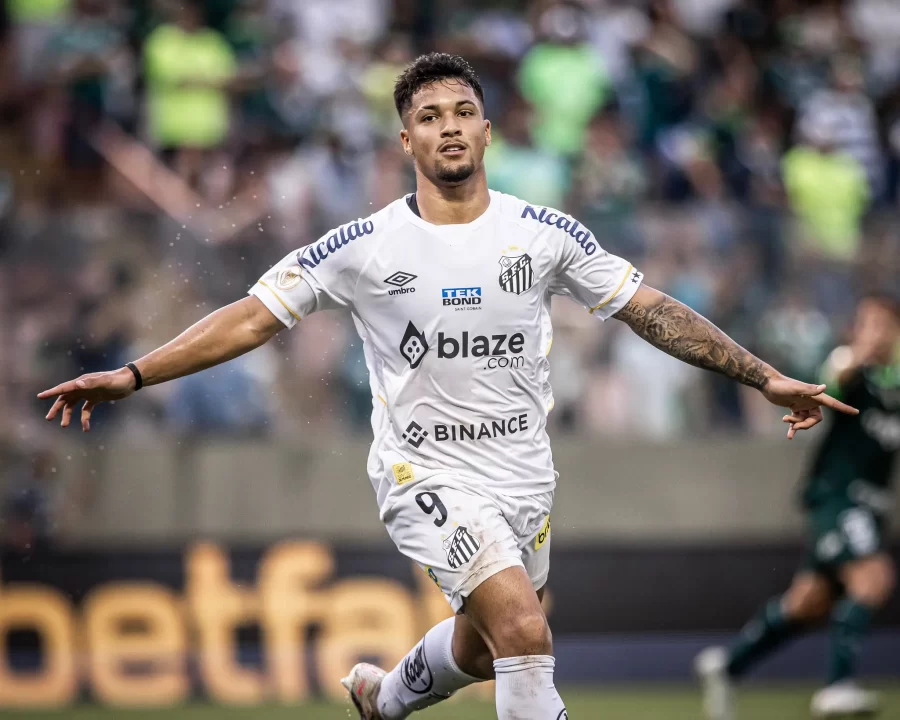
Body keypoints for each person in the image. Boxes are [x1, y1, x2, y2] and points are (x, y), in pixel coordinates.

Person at [38, 53, 857, 720]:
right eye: (430, 117)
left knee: (481, 648)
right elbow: (252, 319)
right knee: (524, 629)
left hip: (524, 475)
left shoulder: (543, 234)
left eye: (463, 112)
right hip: (422, 473)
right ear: (406, 140)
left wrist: (764, 376)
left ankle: (384, 698)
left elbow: (649, 309)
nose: (450, 126)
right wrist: (135, 374)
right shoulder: (363, 246)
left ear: (487, 130)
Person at [696, 293, 899, 720]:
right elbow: (833, 378)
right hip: (838, 498)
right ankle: (837, 686)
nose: (877, 332)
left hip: (870, 507)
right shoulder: (849, 365)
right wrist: (859, 355)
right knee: (873, 577)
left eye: (885, 324)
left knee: (808, 604)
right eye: (868, 323)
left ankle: (727, 666)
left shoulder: (895, 383)